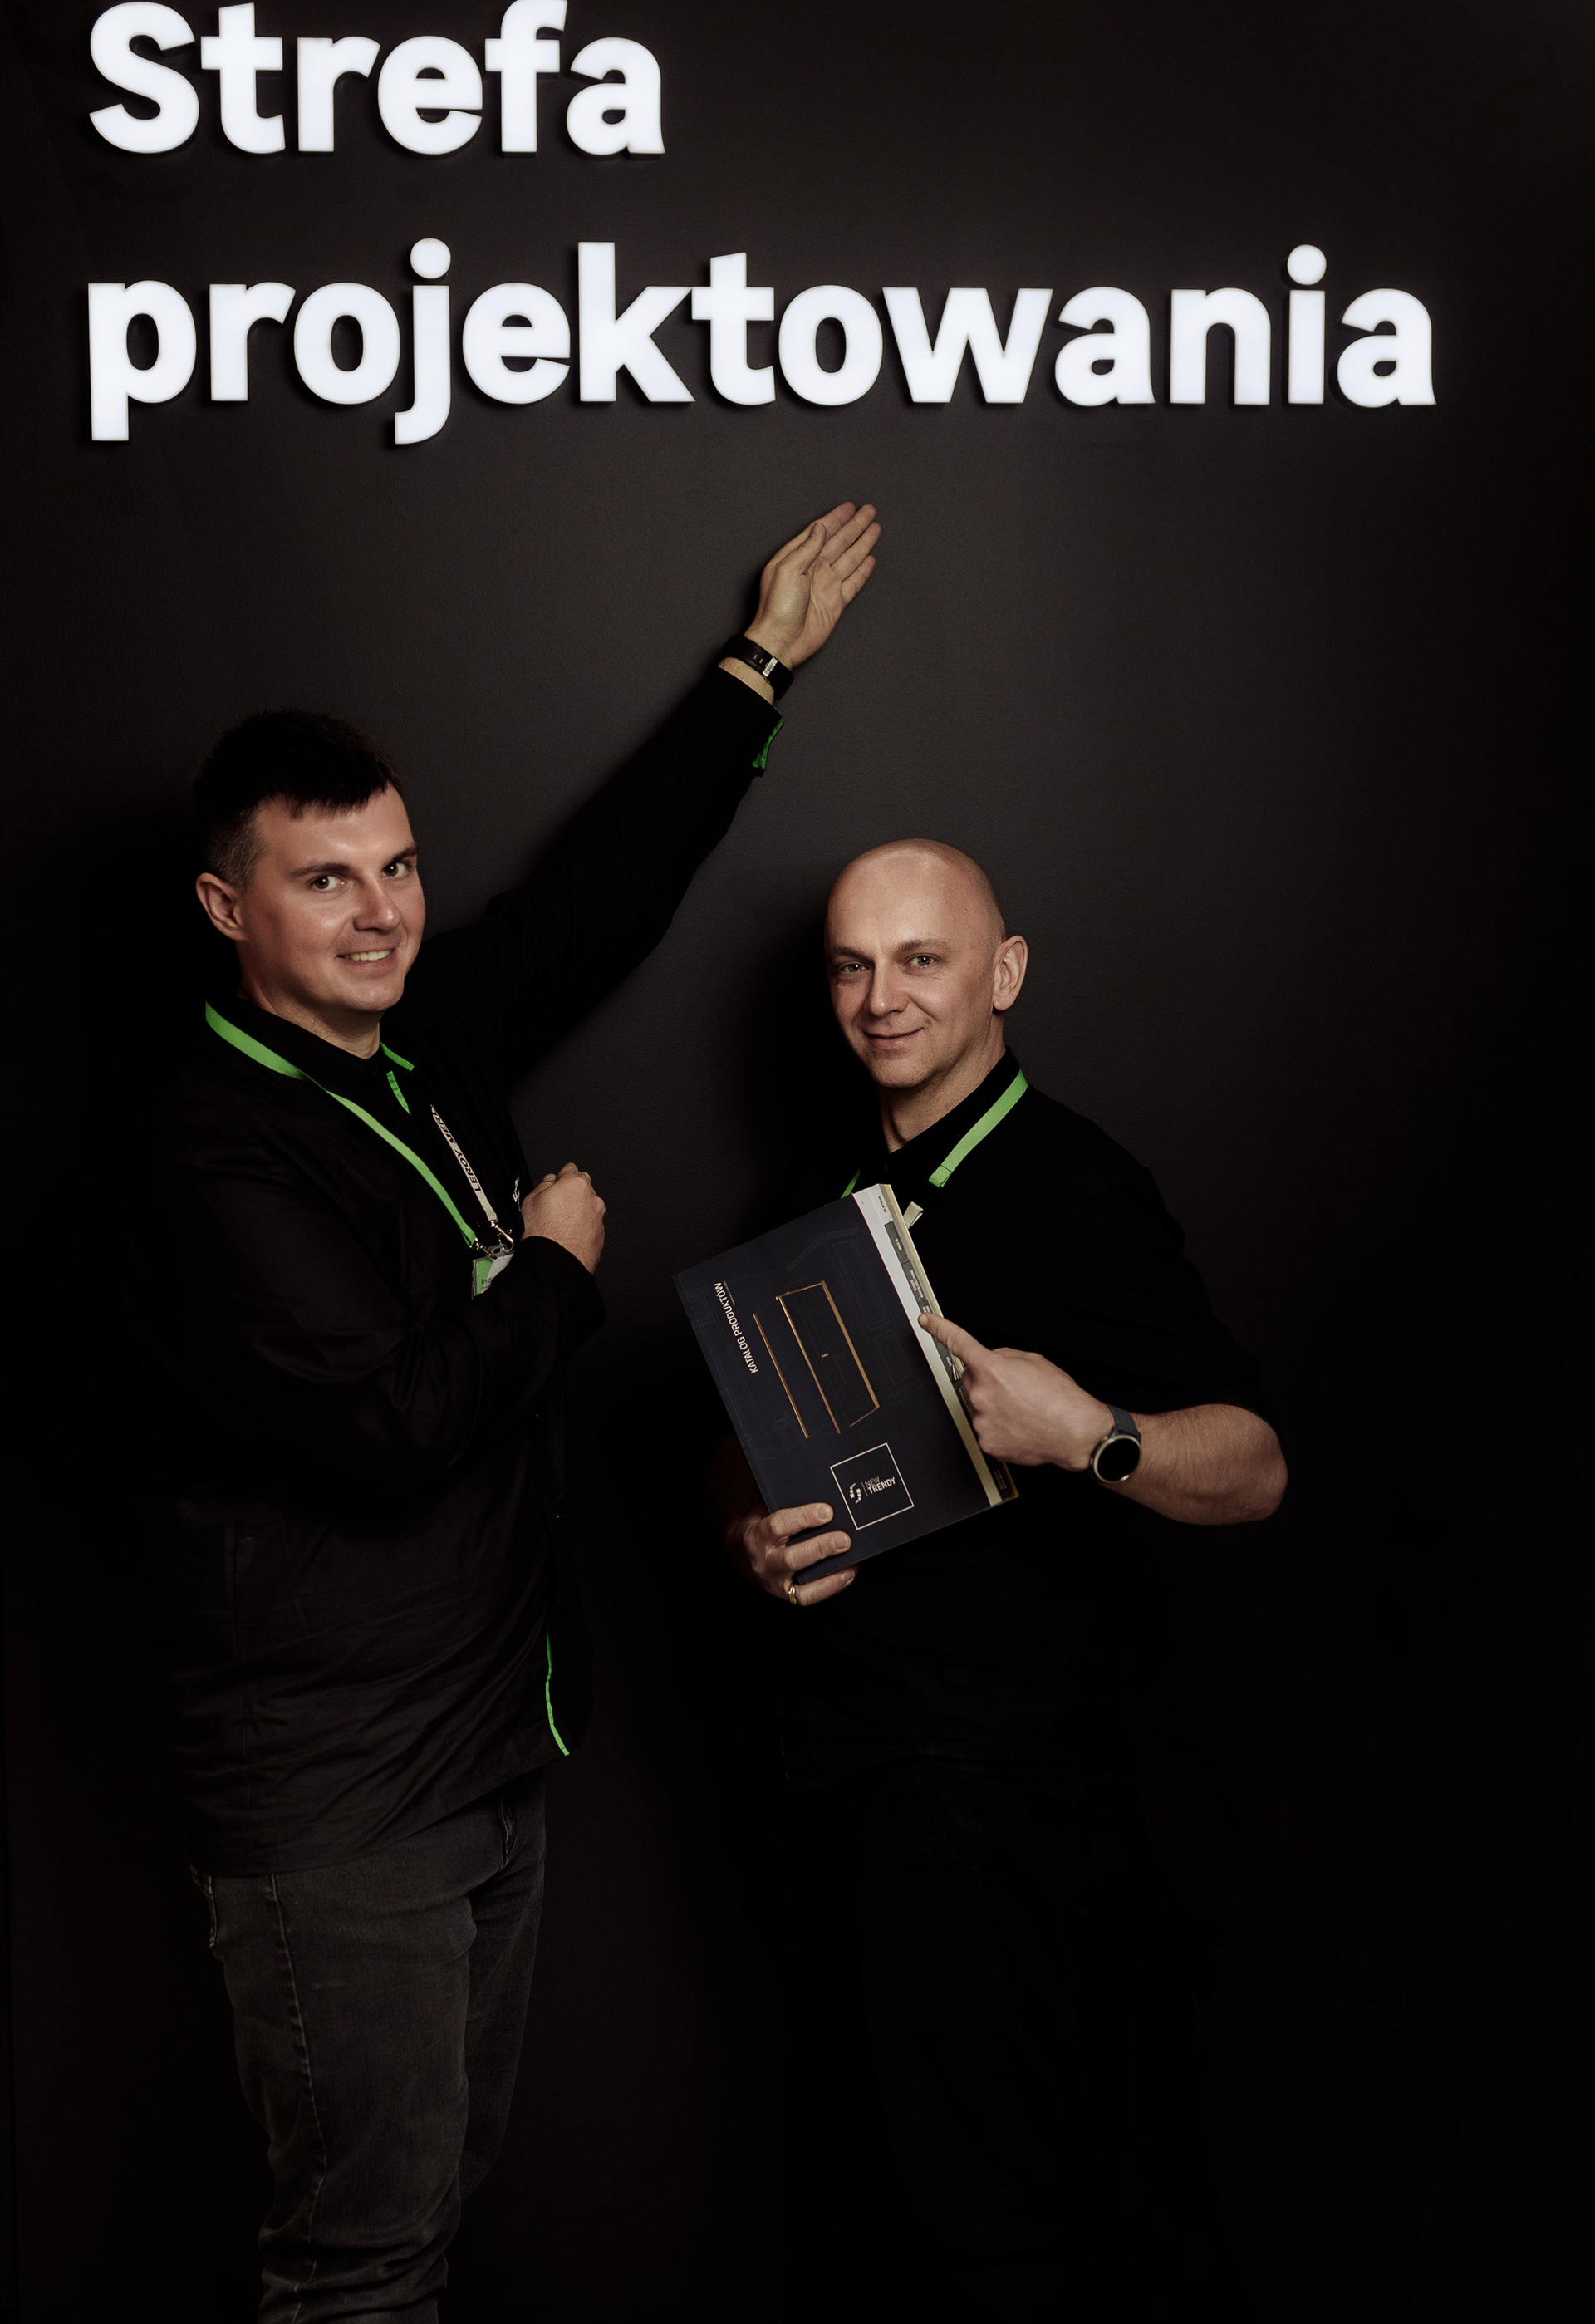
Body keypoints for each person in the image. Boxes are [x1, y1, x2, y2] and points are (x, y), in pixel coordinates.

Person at [129, 501, 880, 2324]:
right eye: (327, 881)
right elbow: (393, 1426)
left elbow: (588, 906)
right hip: (341, 1810)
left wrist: (760, 665)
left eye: (396, 866)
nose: (383, 911)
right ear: (229, 909)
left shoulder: (418, 1044)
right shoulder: (207, 1155)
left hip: (480, 1756)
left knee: (429, 2219)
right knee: (361, 2263)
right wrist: (549, 1267)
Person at [717, 838, 1286, 2319]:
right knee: (887, 2207)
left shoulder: (1080, 1188)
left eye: (922, 959)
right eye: (853, 965)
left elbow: (1256, 1466)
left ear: (1004, 974)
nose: (883, 997)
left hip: (1002, 1798)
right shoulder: (825, 1181)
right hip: (842, 1771)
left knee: (1004, 2221)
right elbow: (746, 1446)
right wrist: (751, 1535)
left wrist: (1090, 1435)